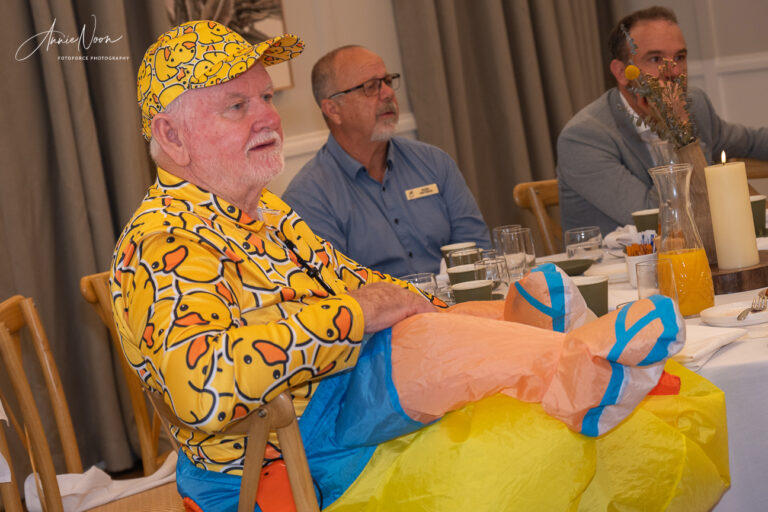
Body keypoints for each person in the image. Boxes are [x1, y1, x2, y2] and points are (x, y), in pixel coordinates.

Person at [113, 20, 728, 511]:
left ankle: (535, 331)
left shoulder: (265, 211)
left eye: (267, 98)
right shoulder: (160, 244)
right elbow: (204, 387)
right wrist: (358, 315)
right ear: (173, 136)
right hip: (281, 450)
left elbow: (360, 284)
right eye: (236, 106)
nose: (268, 117)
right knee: (422, 348)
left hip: (337, 406)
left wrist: (444, 309)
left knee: (428, 327)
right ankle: (567, 365)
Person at [281, 45, 491, 277]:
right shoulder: (309, 197)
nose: (388, 93)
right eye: (371, 87)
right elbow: (333, 285)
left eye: (388, 81)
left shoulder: (434, 162)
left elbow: (475, 250)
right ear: (333, 110)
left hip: (456, 298)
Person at [557, 5, 768, 235]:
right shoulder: (584, 137)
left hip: (700, 247)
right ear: (621, 72)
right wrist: (678, 131)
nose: (674, 71)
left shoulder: (694, 105)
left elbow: (752, 142)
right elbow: (658, 218)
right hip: (624, 257)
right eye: (655, 59)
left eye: (680, 57)